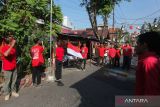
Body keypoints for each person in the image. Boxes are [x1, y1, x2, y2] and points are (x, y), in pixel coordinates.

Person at [1, 35, 19, 101]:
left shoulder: (13, 48)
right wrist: (11, 46)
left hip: (14, 67)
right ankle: (7, 94)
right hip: (7, 68)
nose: (14, 41)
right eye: (12, 40)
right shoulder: (4, 48)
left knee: (14, 80)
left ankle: (13, 92)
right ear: (10, 41)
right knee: (7, 82)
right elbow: (6, 54)